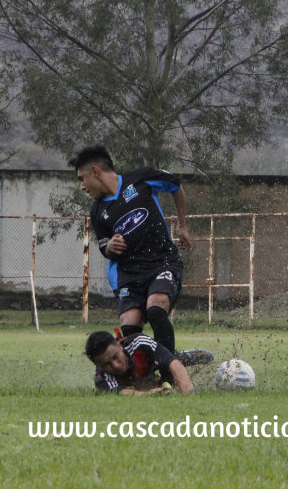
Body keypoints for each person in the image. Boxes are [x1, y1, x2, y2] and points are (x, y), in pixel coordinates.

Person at [69, 144, 212, 367]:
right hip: (129, 273)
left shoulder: (140, 179)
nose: (82, 186)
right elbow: (104, 247)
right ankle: (155, 368)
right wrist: (110, 247)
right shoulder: (98, 212)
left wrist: (182, 226)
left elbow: (175, 185)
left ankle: (168, 375)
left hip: (162, 262)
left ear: (95, 171)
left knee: (155, 308)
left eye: (82, 178)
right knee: (129, 328)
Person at [85, 330, 194, 395]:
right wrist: (149, 394)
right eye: (107, 364)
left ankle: (190, 355)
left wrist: (188, 394)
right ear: (97, 364)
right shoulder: (102, 378)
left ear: (119, 345)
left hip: (154, 364)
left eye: (115, 357)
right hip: (142, 377)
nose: (116, 366)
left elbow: (173, 363)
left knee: (175, 359)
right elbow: (123, 393)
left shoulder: (139, 342)